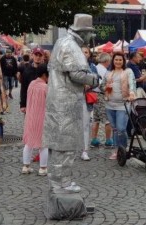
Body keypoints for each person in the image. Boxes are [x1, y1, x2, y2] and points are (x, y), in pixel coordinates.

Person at [43, 13, 99, 207]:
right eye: (90, 33)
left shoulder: (63, 42)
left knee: (61, 146)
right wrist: (94, 79)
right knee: (64, 146)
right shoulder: (70, 45)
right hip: (64, 104)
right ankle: (61, 183)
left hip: (61, 102)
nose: (91, 37)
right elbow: (76, 73)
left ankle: (60, 181)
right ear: (82, 32)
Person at [101, 52, 136, 159]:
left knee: (121, 128)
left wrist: (131, 93)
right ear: (113, 60)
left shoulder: (128, 71)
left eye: (120, 60)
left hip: (123, 104)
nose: (118, 62)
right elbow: (102, 86)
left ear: (123, 61)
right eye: (116, 59)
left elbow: (132, 84)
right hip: (110, 104)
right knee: (115, 129)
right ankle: (117, 150)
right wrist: (106, 87)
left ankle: (123, 149)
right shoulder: (108, 72)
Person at [21, 64, 49, 175]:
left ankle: (25, 166)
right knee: (43, 144)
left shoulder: (31, 84)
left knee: (28, 143)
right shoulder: (45, 87)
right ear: (44, 75)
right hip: (42, 118)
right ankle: (43, 168)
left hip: (30, 117)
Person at [90, 52, 113, 148]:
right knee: (107, 120)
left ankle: (94, 139)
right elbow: (103, 86)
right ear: (107, 61)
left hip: (93, 95)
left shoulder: (94, 68)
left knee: (96, 119)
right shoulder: (105, 72)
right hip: (102, 96)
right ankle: (108, 140)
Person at [19, 47, 44, 113]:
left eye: (40, 55)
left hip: (42, 103)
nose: (38, 57)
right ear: (32, 55)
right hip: (30, 102)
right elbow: (23, 88)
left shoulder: (46, 71)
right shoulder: (27, 71)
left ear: (43, 57)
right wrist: (23, 104)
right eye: (36, 55)